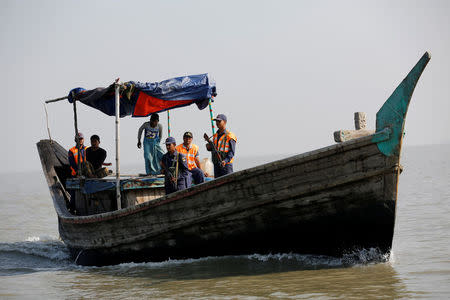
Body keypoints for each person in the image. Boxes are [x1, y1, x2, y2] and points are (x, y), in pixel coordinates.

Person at [206, 114, 237, 178]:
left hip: (226, 165)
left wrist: (225, 161)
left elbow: (232, 152)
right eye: (216, 121)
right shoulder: (215, 136)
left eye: (219, 121)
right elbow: (215, 149)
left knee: (228, 183)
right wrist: (209, 147)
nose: (217, 123)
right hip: (216, 164)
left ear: (225, 122)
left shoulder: (230, 136)